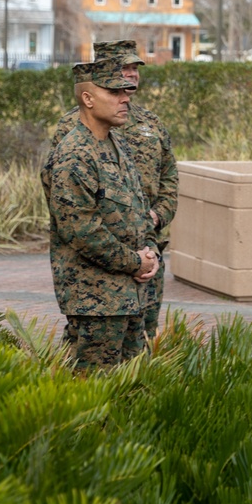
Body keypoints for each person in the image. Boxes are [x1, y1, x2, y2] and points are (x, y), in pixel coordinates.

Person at [51, 40, 178, 339]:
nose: (129, 77)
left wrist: (152, 231)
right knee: (96, 373)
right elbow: (73, 215)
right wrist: (131, 258)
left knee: (142, 342)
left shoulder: (140, 127)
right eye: (122, 71)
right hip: (99, 274)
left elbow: (168, 178)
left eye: (134, 69)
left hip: (144, 253)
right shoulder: (74, 136)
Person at [41, 59, 160, 367]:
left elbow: (138, 209)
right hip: (97, 305)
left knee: (133, 396)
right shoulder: (74, 156)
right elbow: (83, 233)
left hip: (131, 298)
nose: (126, 98)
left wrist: (151, 251)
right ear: (88, 99)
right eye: (114, 92)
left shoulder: (116, 144)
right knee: (94, 398)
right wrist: (136, 262)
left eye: (126, 91)